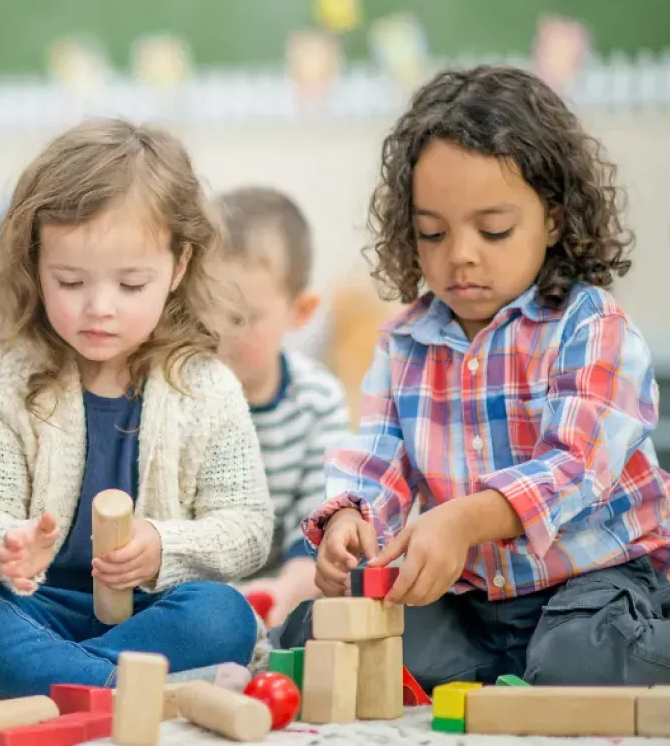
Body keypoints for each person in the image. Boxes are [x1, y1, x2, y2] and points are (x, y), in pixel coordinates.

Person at [274, 65, 670, 688]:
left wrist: (463, 519)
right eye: (433, 232)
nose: (460, 254)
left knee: (579, 659)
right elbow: (380, 461)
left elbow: (575, 467)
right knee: (324, 630)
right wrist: (351, 521)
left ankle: (573, 658)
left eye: (493, 231)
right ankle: (511, 668)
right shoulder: (405, 341)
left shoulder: (591, 325)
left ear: (555, 221)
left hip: (597, 581)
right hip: (477, 602)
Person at [0, 119, 273, 697]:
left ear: (177, 268)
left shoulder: (208, 390)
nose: (99, 308)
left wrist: (162, 546)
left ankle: (50, 681)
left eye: (130, 285)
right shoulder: (10, 384)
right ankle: (113, 688)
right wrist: (11, 543)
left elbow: (247, 531)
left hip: (155, 613)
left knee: (223, 614)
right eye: (71, 281)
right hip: (37, 609)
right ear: (36, 263)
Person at [214, 186, 349, 627]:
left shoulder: (317, 401)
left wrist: (282, 592)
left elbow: (319, 523)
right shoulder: (181, 395)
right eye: (202, 311)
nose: (219, 334)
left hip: (285, 586)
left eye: (240, 318)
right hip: (199, 586)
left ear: (300, 311)